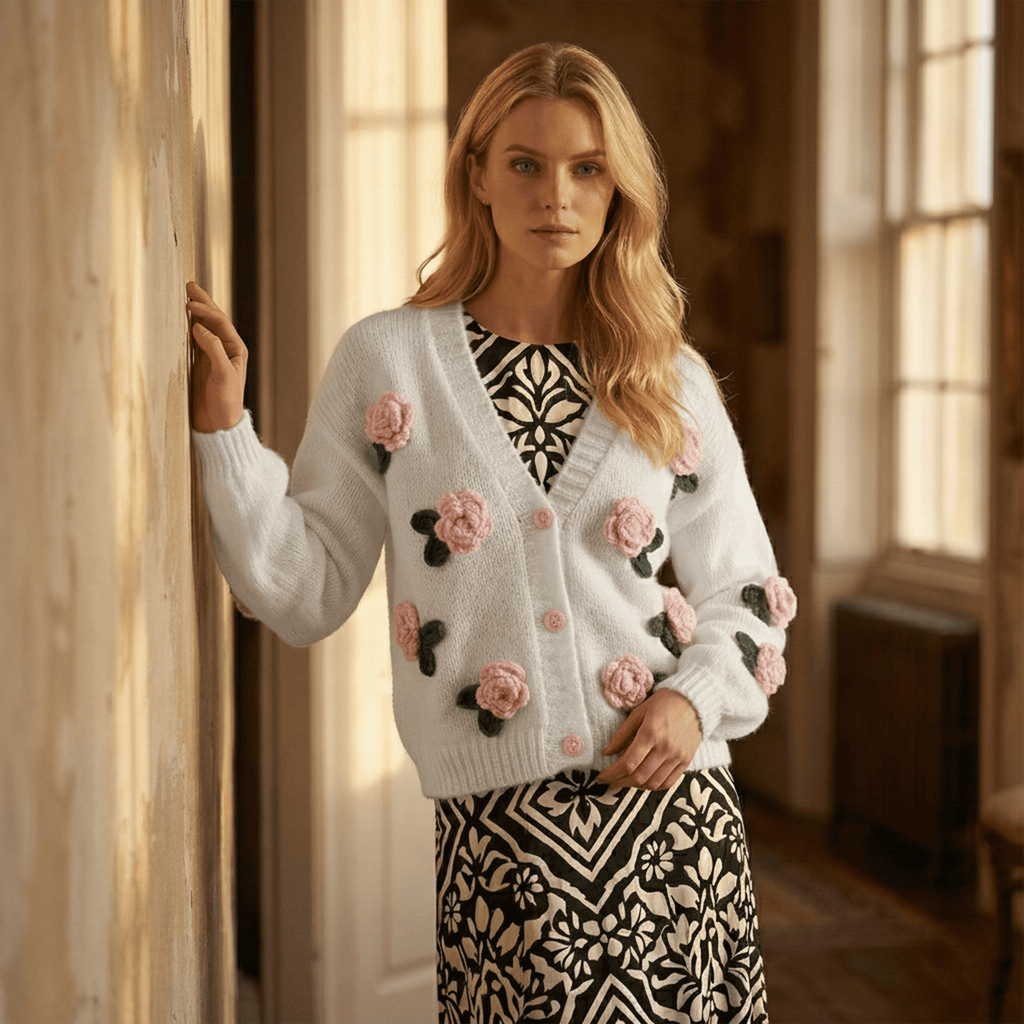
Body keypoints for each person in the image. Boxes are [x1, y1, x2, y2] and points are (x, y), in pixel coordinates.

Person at [187, 41, 795, 1024]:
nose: (555, 195)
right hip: (503, 844)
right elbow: (304, 592)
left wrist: (692, 700)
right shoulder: (387, 362)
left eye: (586, 168)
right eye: (525, 162)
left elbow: (751, 594)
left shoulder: (666, 376)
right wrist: (224, 432)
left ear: (619, 191)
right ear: (475, 174)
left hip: (675, 827)